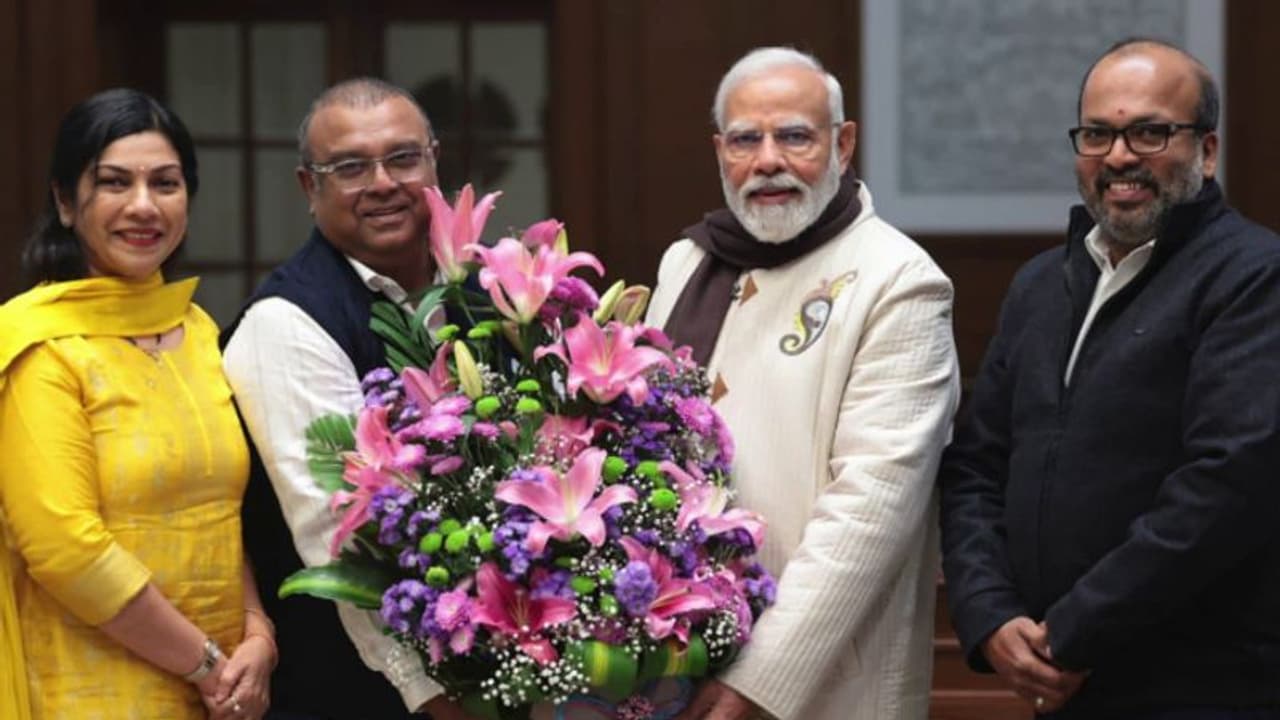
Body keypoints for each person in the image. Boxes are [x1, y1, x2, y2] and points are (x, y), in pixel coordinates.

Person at [938, 38, 1280, 718]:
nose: (1120, 156)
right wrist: (989, 615)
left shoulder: (1254, 275)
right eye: (1098, 133)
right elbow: (976, 465)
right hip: (1058, 682)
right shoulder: (1039, 285)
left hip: (1204, 685)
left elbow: (1228, 480)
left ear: (1207, 152)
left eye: (1150, 132)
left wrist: (1071, 632)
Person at [647, 47, 961, 720]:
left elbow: (870, 510)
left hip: (819, 684)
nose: (767, 161)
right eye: (744, 140)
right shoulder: (686, 262)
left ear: (844, 144)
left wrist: (759, 679)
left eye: (794, 136)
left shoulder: (899, 280)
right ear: (719, 151)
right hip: (676, 667)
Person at [0, 88, 276, 720]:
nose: (144, 206)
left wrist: (258, 635)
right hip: (92, 690)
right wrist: (204, 662)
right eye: (115, 183)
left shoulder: (200, 331)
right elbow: (63, 546)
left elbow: (220, 510)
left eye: (167, 183)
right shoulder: (39, 345)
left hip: (224, 690)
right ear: (66, 203)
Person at [222, 78, 474, 719]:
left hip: (486, 666)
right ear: (311, 188)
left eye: (403, 158)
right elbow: (339, 535)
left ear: (433, 162)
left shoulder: (483, 288)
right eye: (351, 168)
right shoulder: (284, 323)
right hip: (352, 689)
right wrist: (430, 693)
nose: (383, 182)